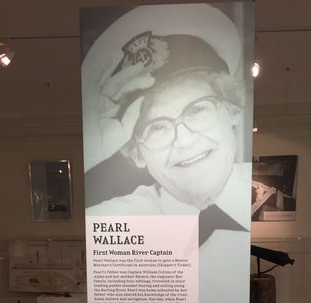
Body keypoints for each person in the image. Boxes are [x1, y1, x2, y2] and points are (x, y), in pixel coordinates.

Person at [82, 4, 251, 235]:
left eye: (196, 110)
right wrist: (89, 151)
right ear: (137, 153)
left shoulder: (270, 199)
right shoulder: (115, 223)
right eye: (157, 127)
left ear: (233, 110)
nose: (184, 140)